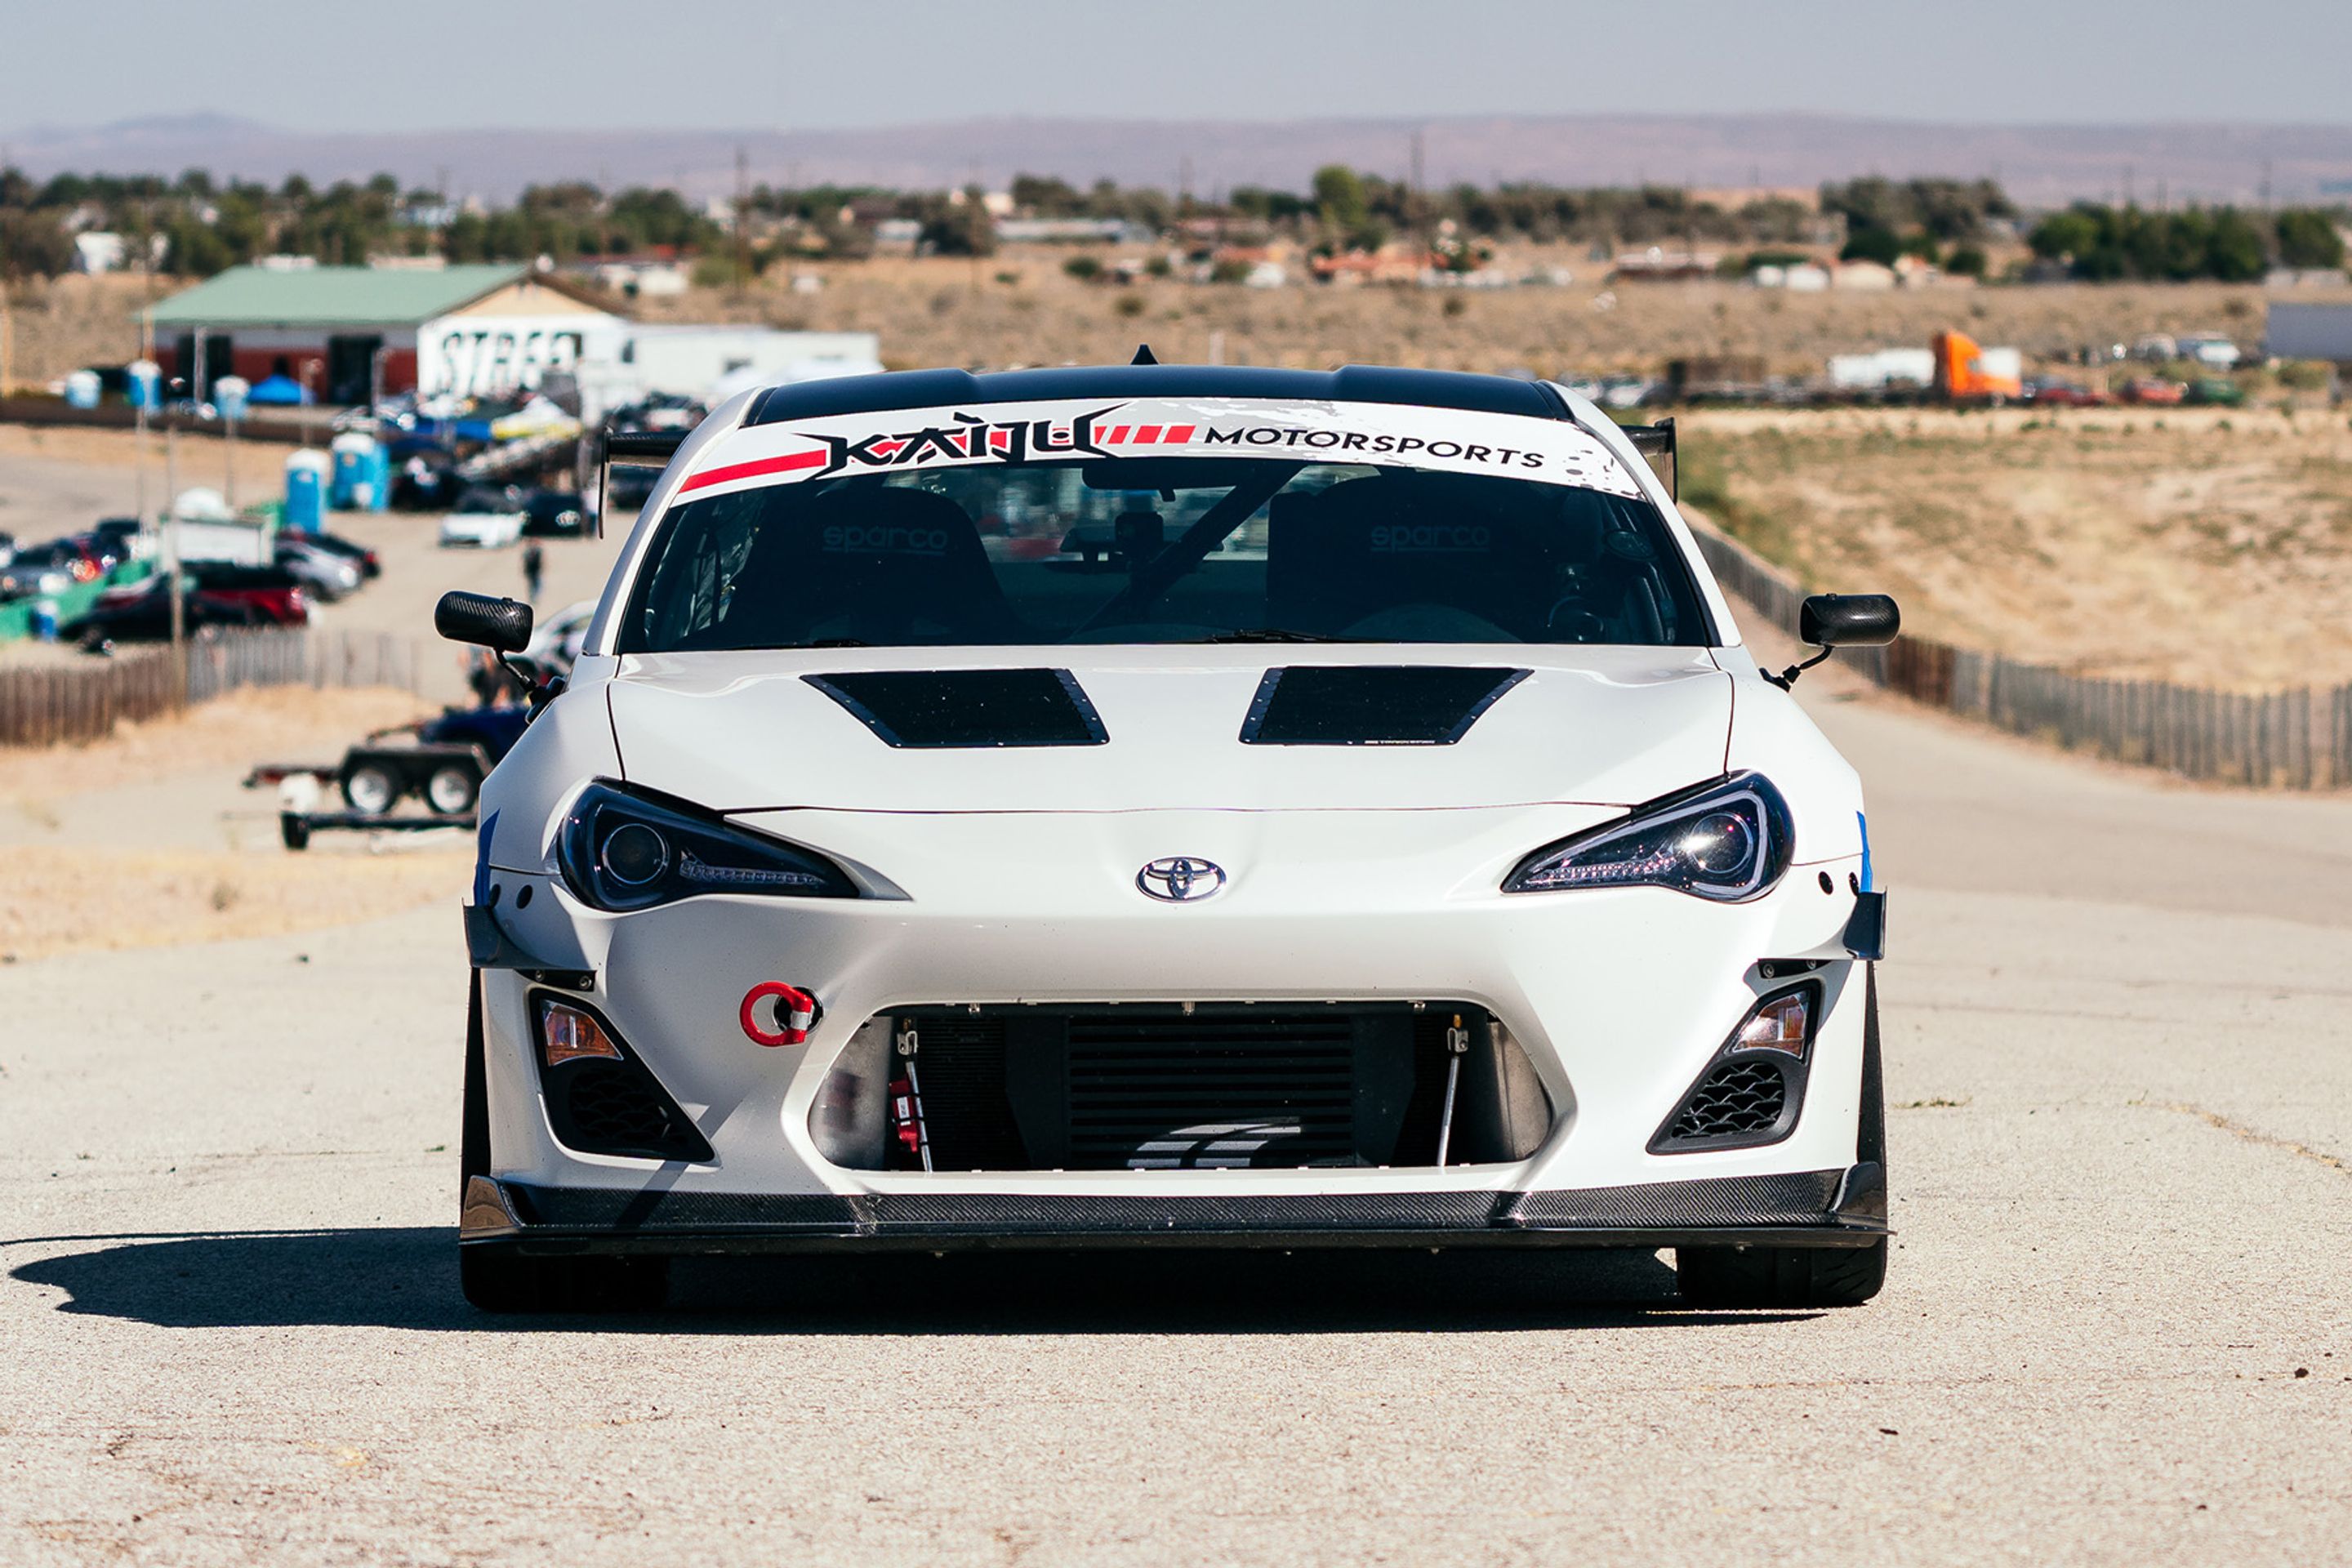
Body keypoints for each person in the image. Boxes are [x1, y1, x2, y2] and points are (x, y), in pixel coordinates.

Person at [521, 541, 545, 605]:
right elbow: (526, 562)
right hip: (532, 571)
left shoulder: (538, 552)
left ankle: (534, 598)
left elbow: (541, 561)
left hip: (536, 571)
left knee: (537, 586)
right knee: (533, 586)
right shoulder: (528, 553)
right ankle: (533, 598)